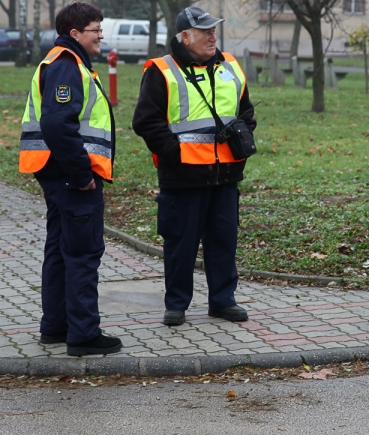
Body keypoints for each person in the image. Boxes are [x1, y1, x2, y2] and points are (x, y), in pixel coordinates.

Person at [132, 6, 256, 327]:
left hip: (226, 175)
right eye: (205, 32)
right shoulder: (161, 70)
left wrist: (243, 136)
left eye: (214, 30)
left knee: (223, 241)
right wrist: (174, 155)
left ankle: (222, 301)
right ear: (185, 37)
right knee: (180, 244)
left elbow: (246, 113)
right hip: (183, 177)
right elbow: (146, 122)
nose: (212, 36)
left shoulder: (230, 65)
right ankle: (176, 304)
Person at [19, 2, 122, 356]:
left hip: (57, 175)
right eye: (96, 29)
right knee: (82, 253)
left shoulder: (64, 63)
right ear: (75, 33)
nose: (101, 35)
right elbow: (57, 124)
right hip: (71, 178)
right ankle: (83, 335)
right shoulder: (66, 64)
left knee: (61, 251)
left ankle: (56, 328)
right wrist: (82, 175)